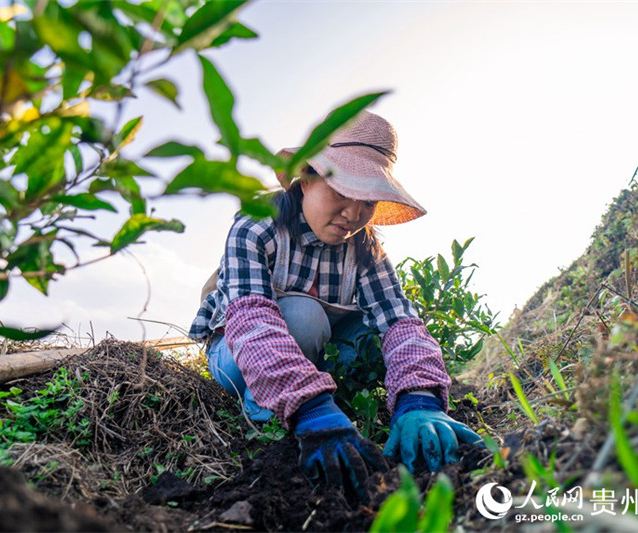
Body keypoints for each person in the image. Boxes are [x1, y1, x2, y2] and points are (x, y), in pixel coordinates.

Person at [189, 111, 482, 495]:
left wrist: (419, 398)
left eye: (368, 201)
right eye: (343, 192)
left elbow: (399, 322)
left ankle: (321, 394)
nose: (354, 214)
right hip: (237, 353)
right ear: (307, 178)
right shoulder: (256, 224)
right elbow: (252, 320)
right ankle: (271, 414)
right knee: (303, 316)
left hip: (311, 355)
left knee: (372, 334)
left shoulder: (364, 249)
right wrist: (312, 412)